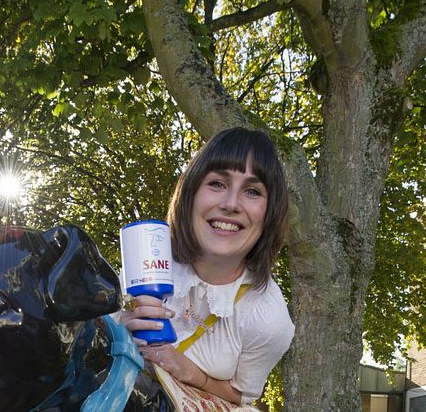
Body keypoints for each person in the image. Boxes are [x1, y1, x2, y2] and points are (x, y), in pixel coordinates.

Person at [119, 127, 295, 406]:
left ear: (270, 212)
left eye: (252, 191)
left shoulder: (268, 319)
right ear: (191, 194)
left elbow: (243, 396)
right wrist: (118, 331)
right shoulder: (147, 259)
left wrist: (192, 374)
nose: (230, 204)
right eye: (217, 184)